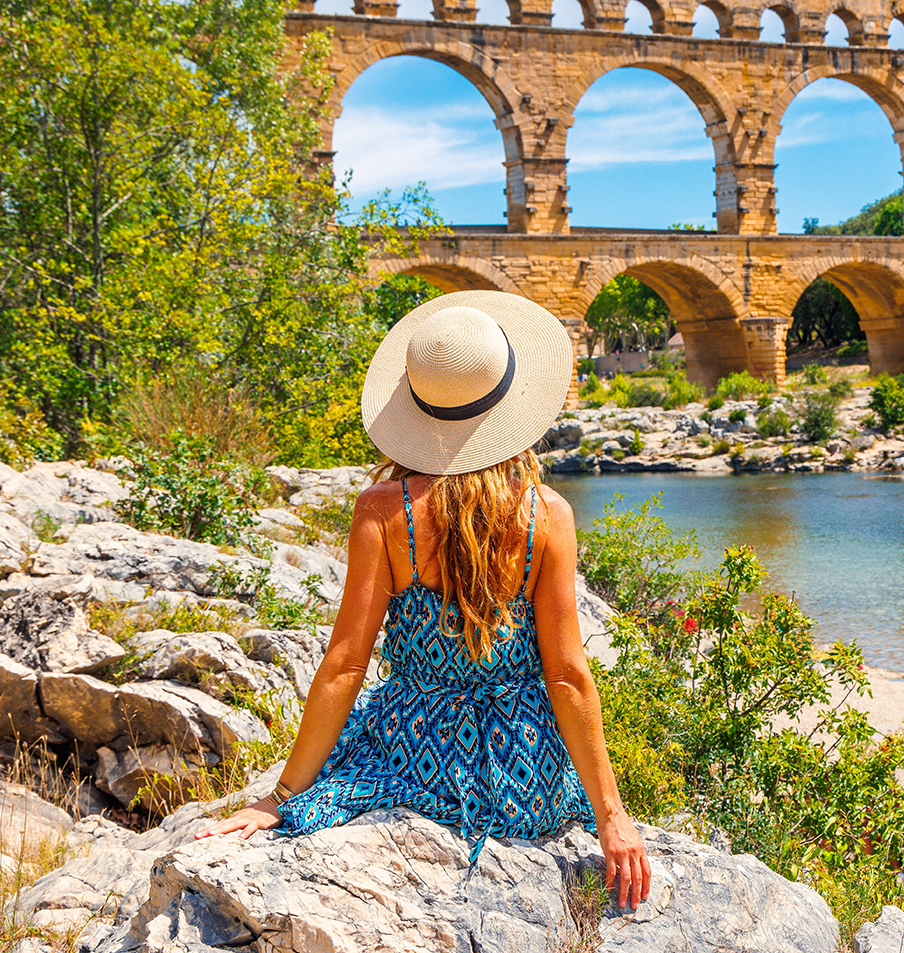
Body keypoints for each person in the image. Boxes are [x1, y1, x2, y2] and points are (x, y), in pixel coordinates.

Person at [198, 291, 651, 910]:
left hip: (411, 754)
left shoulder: (385, 513)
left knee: (338, 782)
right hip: (522, 772)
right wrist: (612, 816)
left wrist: (278, 797)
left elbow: (345, 664)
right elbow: (567, 675)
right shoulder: (549, 515)